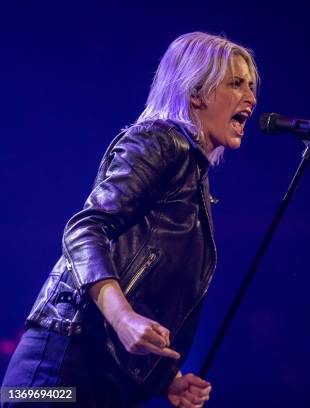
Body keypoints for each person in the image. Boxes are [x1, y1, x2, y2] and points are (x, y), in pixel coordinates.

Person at [1, 31, 258, 407]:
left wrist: (166, 379)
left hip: (106, 379)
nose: (250, 98)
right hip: (59, 367)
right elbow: (84, 230)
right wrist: (123, 319)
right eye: (236, 84)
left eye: (251, 86)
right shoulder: (159, 141)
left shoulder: (193, 176)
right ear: (197, 93)